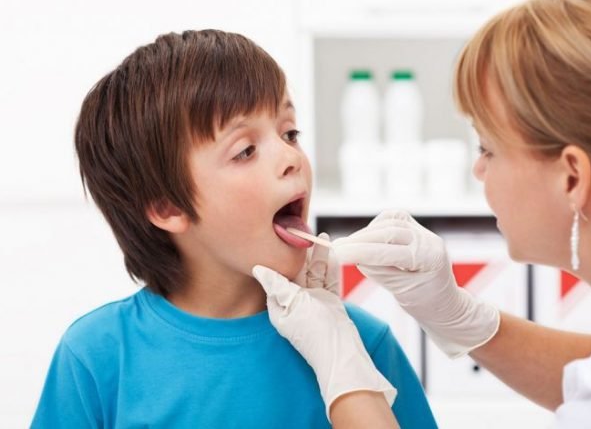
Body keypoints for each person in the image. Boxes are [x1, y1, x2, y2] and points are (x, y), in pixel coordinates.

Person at [254, 0, 591, 427]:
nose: (477, 169)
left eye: (487, 148)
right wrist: (460, 317)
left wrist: (345, 373)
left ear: (572, 178)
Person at [31, 29, 437, 428]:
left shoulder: (357, 348)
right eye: (245, 151)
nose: (292, 158)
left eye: (290, 133)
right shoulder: (96, 359)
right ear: (168, 206)